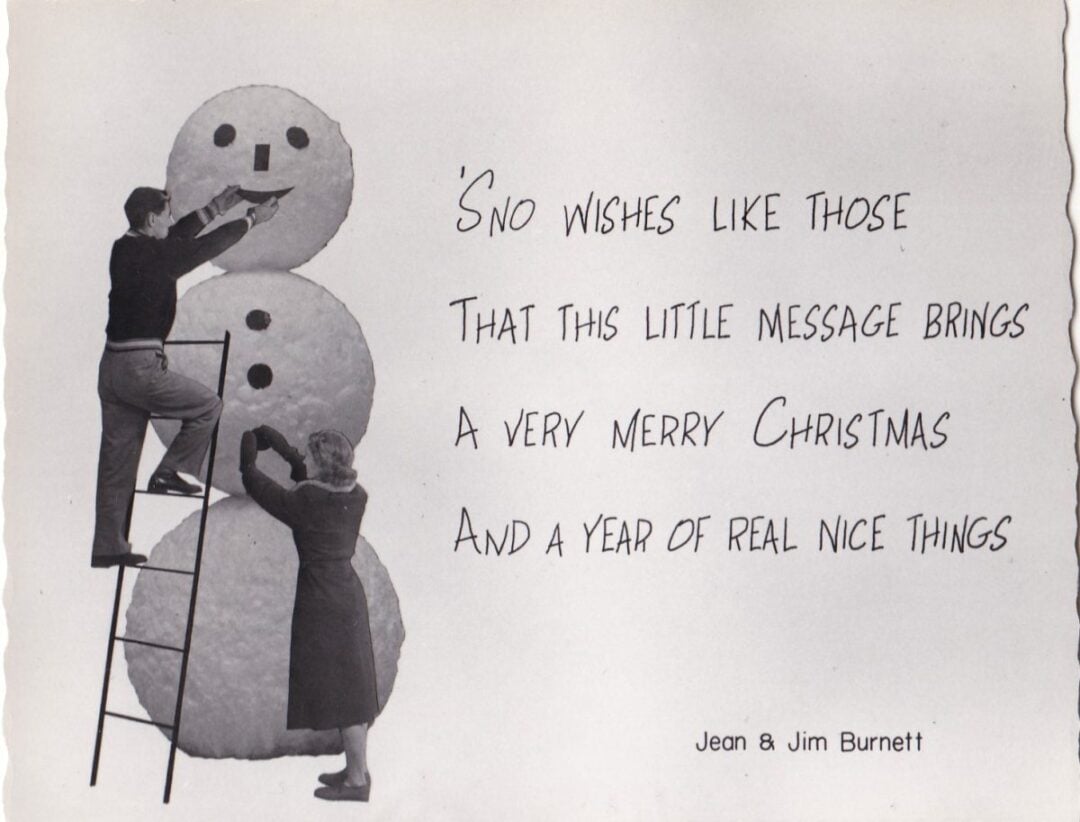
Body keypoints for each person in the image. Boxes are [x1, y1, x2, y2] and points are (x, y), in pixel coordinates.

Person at [91, 186, 279, 568]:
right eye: (167, 213)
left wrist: (218, 205)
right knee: (208, 406)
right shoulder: (158, 255)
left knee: (117, 462)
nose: (172, 219)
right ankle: (172, 469)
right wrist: (252, 219)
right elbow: (200, 249)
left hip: (111, 369)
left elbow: (177, 239)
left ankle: (107, 546)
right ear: (151, 220)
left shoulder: (126, 247)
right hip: (139, 368)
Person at [239, 425, 380, 802]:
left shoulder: (308, 501)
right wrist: (290, 457)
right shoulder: (358, 495)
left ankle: (357, 782)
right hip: (347, 596)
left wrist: (248, 458)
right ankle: (356, 770)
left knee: (345, 695)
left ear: (319, 460)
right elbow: (311, 494)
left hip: (320, 600)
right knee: (352, 689)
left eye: (308, 454)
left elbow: (265, 491)